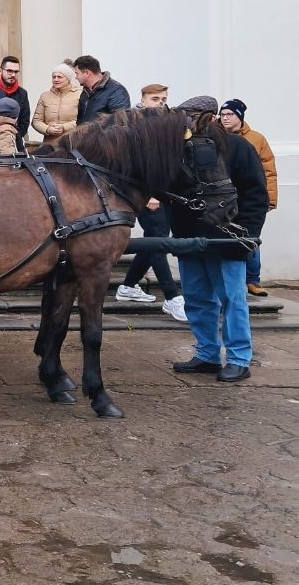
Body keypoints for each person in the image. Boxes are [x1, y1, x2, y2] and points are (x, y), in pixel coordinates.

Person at [169, 96, 268, 383]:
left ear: (208, 117)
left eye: (191, 115)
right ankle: (208, 354)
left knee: (232, 300)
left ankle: (239, 358)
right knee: (197, 300)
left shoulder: (237, 147)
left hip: (226, 237)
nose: (185, 120)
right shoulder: (181, 149)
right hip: (190, 237)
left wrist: (246, 233)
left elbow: (255, 194)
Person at [114, 84, 185, 321]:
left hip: (165, 192)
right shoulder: (134, 125)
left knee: (154, 240)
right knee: (158, 241)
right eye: (155, 99)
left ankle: (128, 285)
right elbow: (135, 165)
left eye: (164, 99)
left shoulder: (166, 123)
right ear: (143, 100)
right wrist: (149, 195)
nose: (161, 103)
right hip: (146, 194)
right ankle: (172, 297)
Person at [219, 98, 277, 297]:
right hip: (225, 199)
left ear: (240, 116)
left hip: (249, 198)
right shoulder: (217, 137)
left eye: (230, 114)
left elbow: (268, 170)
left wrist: (270, 199)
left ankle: (253, 279)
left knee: (251, 238)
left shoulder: (256, 139)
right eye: (223, 114)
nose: (225, 118)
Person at [32, 64, 82, 147]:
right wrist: (48, 129)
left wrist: (64, 127)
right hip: (50, 144)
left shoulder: (80, 95)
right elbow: (36, 121)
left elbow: (83, 120)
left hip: (73, 143)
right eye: (54, 77)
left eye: (59, 77)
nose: (56, 79)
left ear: (68, 79)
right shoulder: (45, 96)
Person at [74, 54, 131, 123]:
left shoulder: (117, 91)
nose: (76, 77)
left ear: (87, 73)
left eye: (77, 73)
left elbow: (121, 123)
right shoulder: (86, 91)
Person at [0, 55, 30, 141]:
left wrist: (15, 137)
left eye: (16, 72)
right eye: (9, 71)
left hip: (14, 140)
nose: (13, 75)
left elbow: (24, 120)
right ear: (0, 71)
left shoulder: (22, 93)